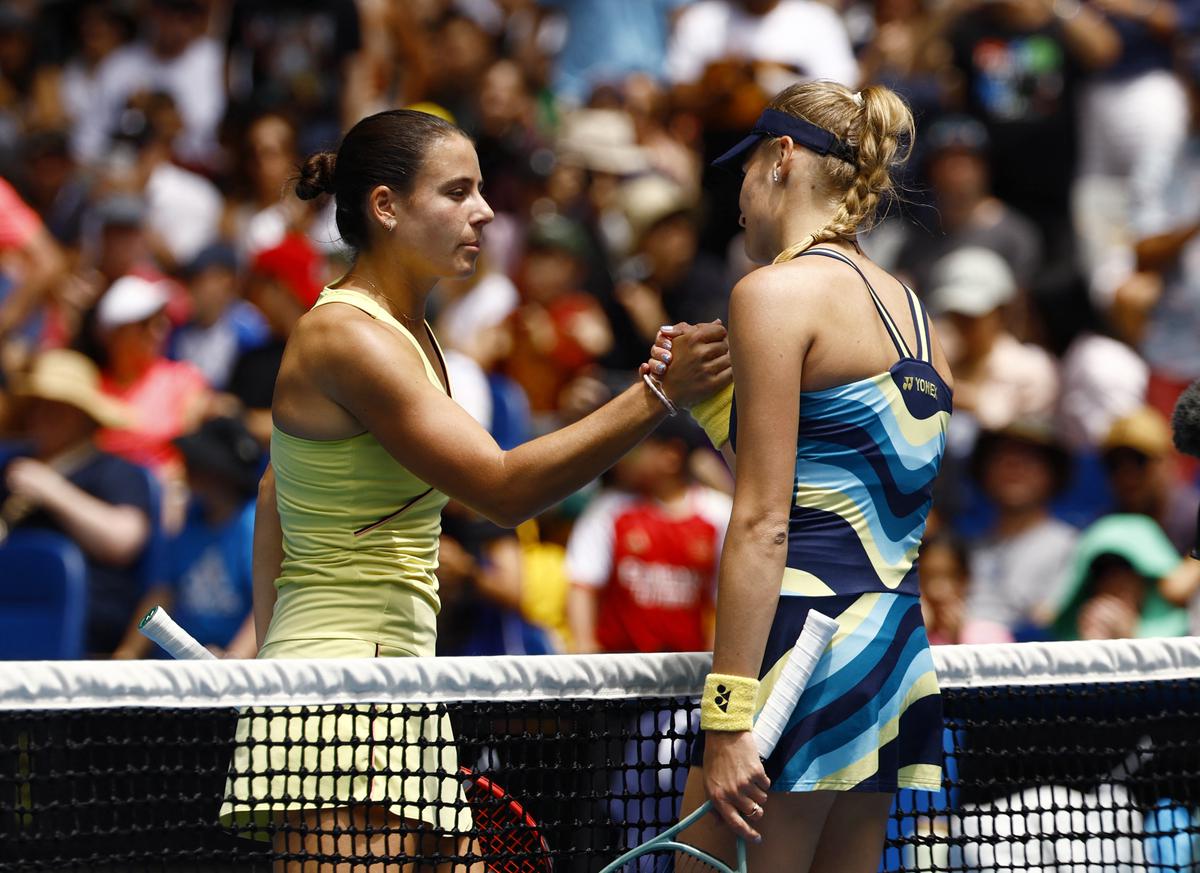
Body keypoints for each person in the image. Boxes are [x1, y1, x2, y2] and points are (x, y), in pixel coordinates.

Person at [218, 108, 730, 870]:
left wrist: (271, 655)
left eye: (481, 191)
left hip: (392, 681)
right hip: (341, 691)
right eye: (457, 192)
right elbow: (500, 488)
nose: (485, 211)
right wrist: (656, 393)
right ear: (387, 207)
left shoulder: (413, 335)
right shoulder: (346, 336)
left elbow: (273, 491)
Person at [650, 81, 953, 871]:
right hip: (886, 651)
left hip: (794, 657)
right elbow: (841, 484)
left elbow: (765, 522)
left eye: (744, 170)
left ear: (781, 159)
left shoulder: (772, 293)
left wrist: (727, 718)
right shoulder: (913, 311)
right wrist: (712, 405)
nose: (739, 197)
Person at [0, 349, 154, 656]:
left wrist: (53, 490)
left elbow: (123, 540)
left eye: (58, 408)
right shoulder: (9, 465)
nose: (43, 416)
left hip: (83, 625)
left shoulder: (115, 470)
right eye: (38, 406)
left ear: (84, 415)